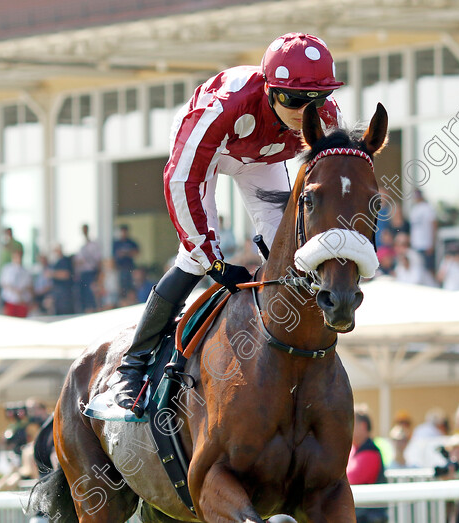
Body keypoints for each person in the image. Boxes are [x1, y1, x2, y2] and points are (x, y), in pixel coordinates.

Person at [110, 33, 343, 416]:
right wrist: (214, 262)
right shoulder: (222, 108)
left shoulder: (327, 117)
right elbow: (181, 181)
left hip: (263, 157)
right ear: (269, 89)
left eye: (315, 100)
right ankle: (132, 368)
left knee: (292, 249)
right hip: (208, 151)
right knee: (195, 256)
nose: (306, 111)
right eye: (292, 99)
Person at [347, 409, 387, 523]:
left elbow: (351, 480)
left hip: (368, 517)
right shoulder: (356, 450)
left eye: (351, 423)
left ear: (363, 426)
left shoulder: (371, 452)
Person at [73, 224, 102, 313]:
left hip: (91, 273)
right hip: (83, 274)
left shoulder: (93, 245)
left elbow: (98, 261)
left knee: (92, 295)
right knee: (84, 296)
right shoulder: (81, 246)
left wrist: (98, 275)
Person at [408, 189, 437, 272]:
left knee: (429, 268)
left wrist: (432, 243)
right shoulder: (414, 209)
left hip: (426, 244)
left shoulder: (427, 208)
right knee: (419, 268)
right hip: (416, 244)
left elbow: (433, 225)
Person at [0, 249, 33, 318]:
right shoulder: (7, 269)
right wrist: (14, 290)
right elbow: (3, 283)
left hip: (22, 301)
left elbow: (30, 286)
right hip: (10, 300)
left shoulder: (26, 271)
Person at [112, 224, 140, 299]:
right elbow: (115, 256)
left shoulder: (131, 242)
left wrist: (126, 253)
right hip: (120, 268)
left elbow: (136, 252)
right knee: (122, 287)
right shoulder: (117, 243)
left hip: (130, 267)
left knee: (131, 286)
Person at [49, 244, 74, 315]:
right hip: (57, 293)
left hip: (64, 293)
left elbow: (66, 274)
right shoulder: (56, 261)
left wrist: (52, 274)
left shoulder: (65, 261)